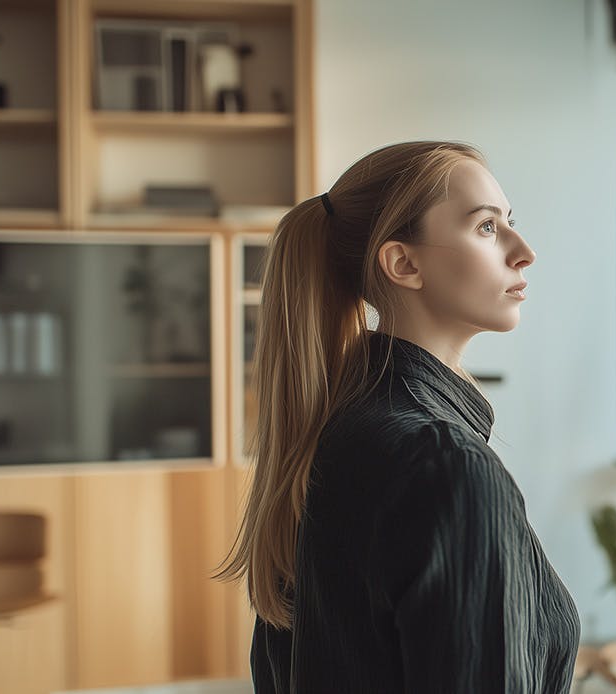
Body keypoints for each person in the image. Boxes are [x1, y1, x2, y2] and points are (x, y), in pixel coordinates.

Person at [216, 141, 581, 692]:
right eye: (486, 227)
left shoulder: (338, 428)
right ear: (403, 263)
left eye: (509, 222)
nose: (523, 250)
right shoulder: (448, 469)